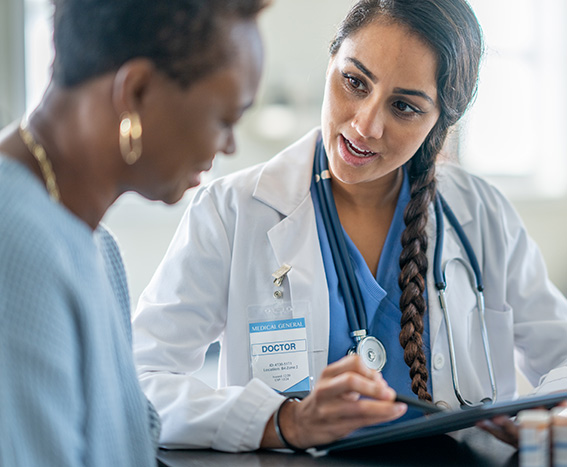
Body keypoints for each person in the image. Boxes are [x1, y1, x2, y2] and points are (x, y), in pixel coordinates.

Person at [133, 0, 567, 453]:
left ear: (442, 123)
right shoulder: (233, 212)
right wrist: (283, 421)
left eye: (403, 107)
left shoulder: (482, 216)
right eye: (354, 82)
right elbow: (141, 380)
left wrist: (552, 419)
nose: (365, 125)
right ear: (331, 64)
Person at [0, 0, 267, 465]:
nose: (228, 145)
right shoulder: (16, 248)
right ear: (136, 91)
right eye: (224, 119)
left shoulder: (99, 249)